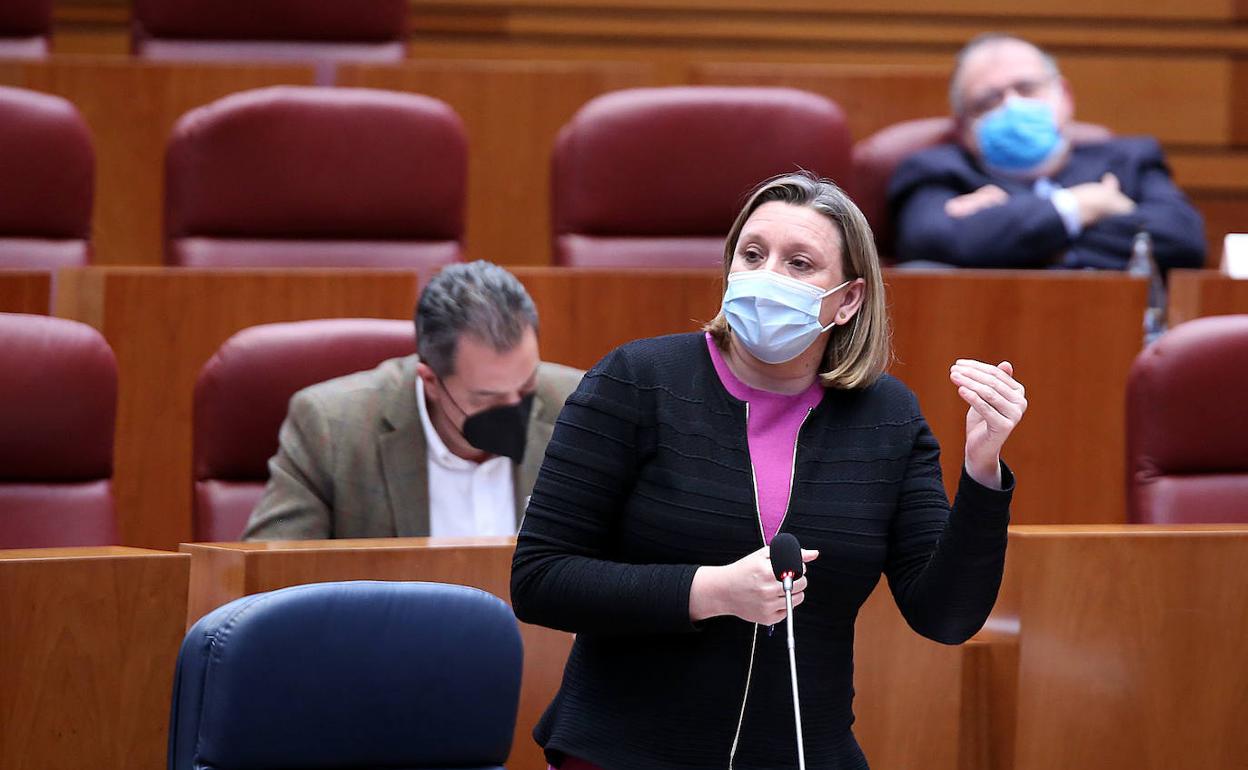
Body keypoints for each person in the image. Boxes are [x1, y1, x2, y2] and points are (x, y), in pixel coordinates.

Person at [511, 172, 1027, 770]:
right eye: (752, 255)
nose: (767, 276)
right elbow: (540, 578)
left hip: (806, 754)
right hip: (625, 752)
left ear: (849, 299)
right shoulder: (637, 380)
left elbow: (946, 616)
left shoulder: (887, 417)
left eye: (800, 263)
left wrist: (982, 467)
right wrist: (711, 592)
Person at [243, 261, 583, 540]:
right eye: (486, 398)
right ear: (431, 381)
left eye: (526, 389)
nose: (515, 412)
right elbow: (271, 559)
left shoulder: (583, 409)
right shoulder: (330, 428)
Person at [888, 33, 1206, 270]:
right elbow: (931, 243)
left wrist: (1005, 237)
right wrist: (1083, 204)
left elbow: (1182, 241)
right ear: (962, 126)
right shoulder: (935, 170)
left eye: (1027, 89)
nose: (1012, 105)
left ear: (1064, 95)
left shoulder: (1130, 160)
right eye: (988, 101)